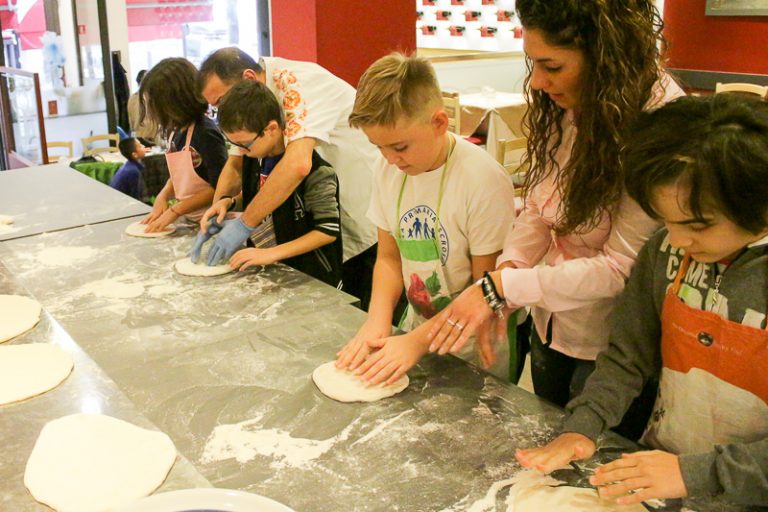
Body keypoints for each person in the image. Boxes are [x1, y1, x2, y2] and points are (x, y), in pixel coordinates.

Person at [426, 0, 685, 430]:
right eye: (532, 64)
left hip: (613, 347)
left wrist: (502, 286)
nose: (539, 81)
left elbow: (621, 268)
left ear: (607, 55)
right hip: (553, 323)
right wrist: (506, 279)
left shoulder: (657, 124)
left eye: (552, 66)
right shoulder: (569, 106)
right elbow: (538, 210)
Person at [516, 94, 768, 506]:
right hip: (666, 475)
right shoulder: (664, 251)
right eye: (666, 220)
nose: (679, 239)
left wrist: (696, 473)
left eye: (697, 226)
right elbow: (628, 356)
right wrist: (585, 424)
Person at [334, 53, 517, 382]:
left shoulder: (482, 180)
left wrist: (416, 343)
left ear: (439, 123)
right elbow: (389, 258)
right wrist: (378, 317)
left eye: (400, 147)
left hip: (473, 340)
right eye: (379, 148)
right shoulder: (389, 169)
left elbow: (483, 291)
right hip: (417, 329)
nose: (390, 160)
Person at [194, 48, 379, 309]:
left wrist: (245, 224)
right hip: (306, 222)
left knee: (353, 310)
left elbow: (298, 164)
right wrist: (221, 206)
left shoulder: (295, 84)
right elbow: (236, 162)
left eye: (222, 101)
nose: (223, 109)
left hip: (361, 212)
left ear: (248, 78)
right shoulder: (249, 108)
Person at [215, 80, 343, 287]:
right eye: (234, 144)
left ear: (272, 129)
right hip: (272, 271)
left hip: (312, 277)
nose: (241, 151)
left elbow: (327, 231)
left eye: (244, 144)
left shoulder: (317, 172)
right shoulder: (256, 159)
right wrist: (229, 203)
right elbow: (262, 199)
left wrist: (271, 253)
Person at [139, 58, 228, 233]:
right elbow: (180, 175)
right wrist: (164, 194)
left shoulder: (205, 133)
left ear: (177, 102)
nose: (155, 111)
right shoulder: (176, 131)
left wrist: (176, 210)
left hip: (213, 221)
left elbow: (219, 187)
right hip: (191, 218)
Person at [127, 69, 160, 146]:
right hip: (150, 137)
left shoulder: (132, 98)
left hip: (136, 136)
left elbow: (131, 121)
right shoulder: (151, 97)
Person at [109, 137, 146, 201]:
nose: (144, 146)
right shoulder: (132, 171)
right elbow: (135, 197)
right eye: (140, 146)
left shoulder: (129, 166)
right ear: (134, 155)